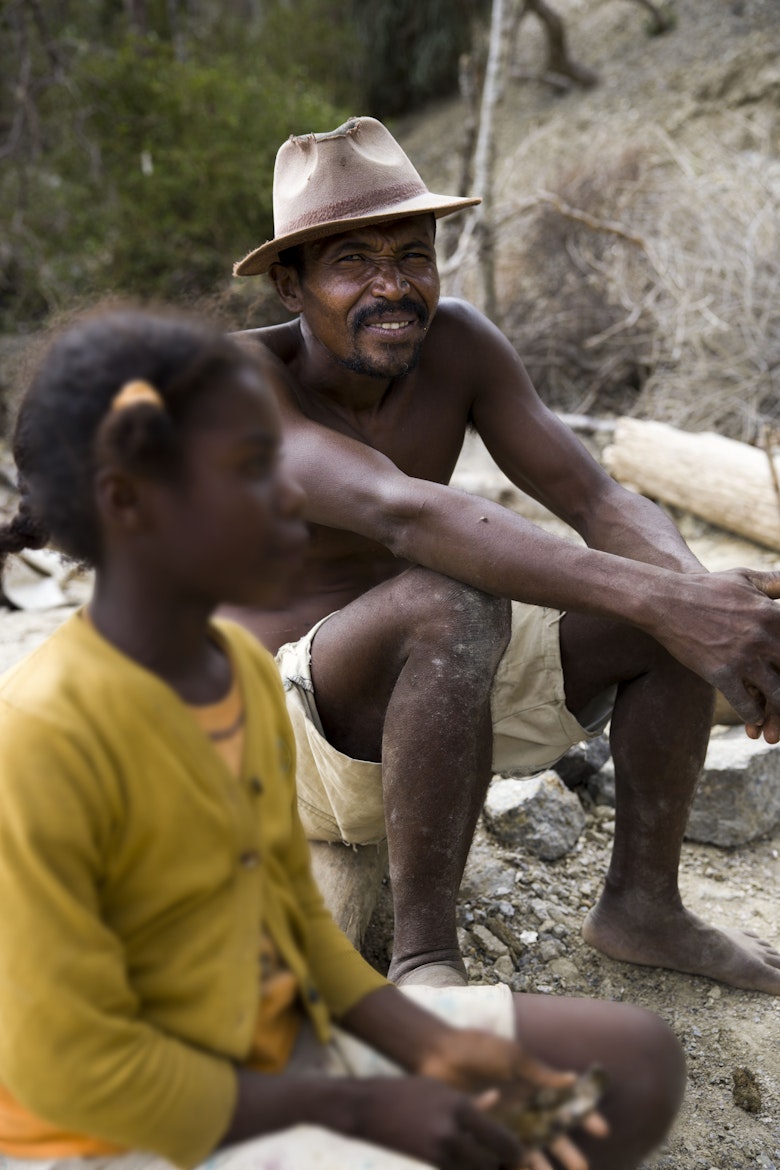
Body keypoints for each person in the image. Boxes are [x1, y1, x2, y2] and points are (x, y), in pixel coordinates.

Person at [0, 305, 686, 1170]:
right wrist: (361, 1110)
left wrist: (423, 1044)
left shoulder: (231, 679)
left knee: (637, 1065)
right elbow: (65, 1070)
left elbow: (283, 916)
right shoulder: (44, 736)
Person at [228, 115, 780, 993]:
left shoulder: (458, 345)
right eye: (351, 264)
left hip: (435, 700)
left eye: (412, 254)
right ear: (289, 287)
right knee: (453, 596)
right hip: (276, 737)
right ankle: (424, 960)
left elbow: (598, 500)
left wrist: (716, 617)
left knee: (680, 593)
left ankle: (644, 906)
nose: (392, 286)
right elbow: (398, 511)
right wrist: (676, 605)